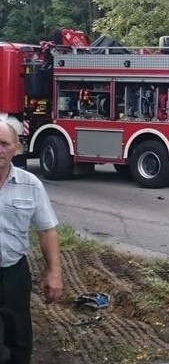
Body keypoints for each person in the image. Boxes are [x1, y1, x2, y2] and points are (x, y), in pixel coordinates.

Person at [0, 121, 63, 363]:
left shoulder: (30, 185)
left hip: (15, 274)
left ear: (16, 148)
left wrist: (54, 272)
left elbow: (46, 230)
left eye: (4, 143)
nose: (0, 149)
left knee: (20, 342)